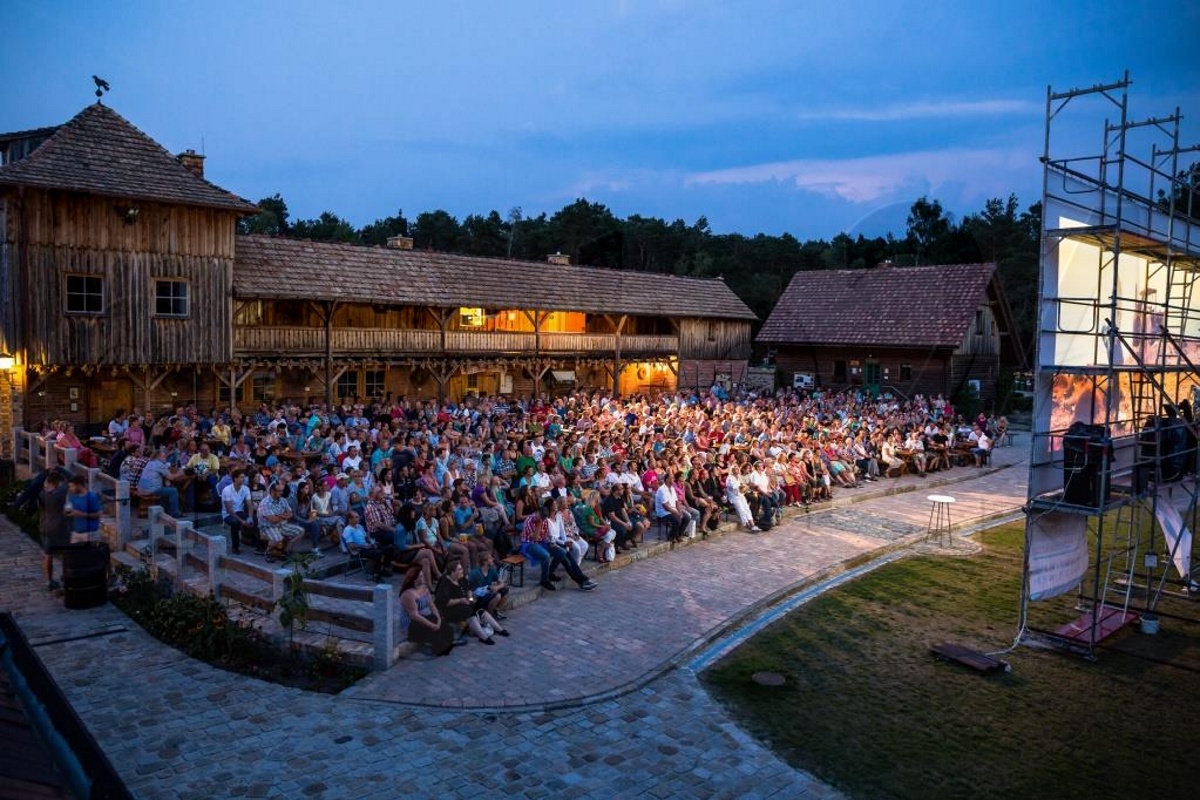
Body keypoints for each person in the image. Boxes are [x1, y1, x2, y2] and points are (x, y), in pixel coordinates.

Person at [434, 560, 508, 645]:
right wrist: (460, 600)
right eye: (459, 569)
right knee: (469, 611)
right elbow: (444, 602)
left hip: (463, 604)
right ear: (452, 572)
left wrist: (470, 596)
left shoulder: (461, 578)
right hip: (449, 609)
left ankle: (499, 629)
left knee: (479, 608)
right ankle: (483, 637)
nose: (462, 571)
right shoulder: (445, 582)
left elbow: (468, 588)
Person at [398, 567, 455, 656]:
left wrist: (438, 618)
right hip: (413, 624)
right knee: (434, 634)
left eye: (422, 575)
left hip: (426, 617)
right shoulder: (408, 594)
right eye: (420, 576)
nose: (423, 578)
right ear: (414, 579)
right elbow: (415, 615)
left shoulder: (424, 588)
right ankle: (436, 647)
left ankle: (444, 643)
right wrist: (431, 625)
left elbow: (431, 605)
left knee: (447, 629)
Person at [38, 471, 71, 591]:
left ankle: (49, 581)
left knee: (48, 555)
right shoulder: (60, 493)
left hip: (45, 526)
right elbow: (70, 478)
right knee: (65, 555)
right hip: (59, 527)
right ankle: (66, 578)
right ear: (57, 482)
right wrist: (59, 468)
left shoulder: (42, 494)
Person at [256, 481, 303, 560]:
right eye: (279, 491)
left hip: (281, 524)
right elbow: (273, 520)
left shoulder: (283, 500)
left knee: (301, 531)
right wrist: (284, 515)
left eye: (282, 491)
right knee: (277, 539)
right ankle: (267, 552)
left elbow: (290, 513)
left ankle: (286, 550)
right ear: (273, 491)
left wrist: (279, 516)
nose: (281, 493)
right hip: (268, 526)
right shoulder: (265, 503)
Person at [137, 447, 183, 517]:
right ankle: (175, 513)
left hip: (141, 489)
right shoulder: (160, 464)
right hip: (150, 490)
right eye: (164, 456)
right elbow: (171, 477)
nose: (165, 458)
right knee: (173, 491)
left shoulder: (150, 462)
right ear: (158, 457)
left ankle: (163, 510)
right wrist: (180, 473)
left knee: (164, 488)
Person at [221, 469, 254, 555]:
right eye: (241, 477)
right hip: (228, 514)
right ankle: (235, 547)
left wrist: (250, 517)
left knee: (254, 520)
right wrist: (242, 521)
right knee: (236, 523)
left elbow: (249, 504)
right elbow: (229, 510)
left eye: (244, 477)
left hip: (240, 511)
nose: (244, 479)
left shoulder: (245, 488)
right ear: (235, 478)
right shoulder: (227, 490)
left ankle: (250, 540)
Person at [65, 474, 101, 539]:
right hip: (75, 533)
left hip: (90, 533)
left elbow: (98, 514)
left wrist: (81, 514)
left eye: (72, 486)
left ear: (79, 486)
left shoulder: (91, 497)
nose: (70, 489)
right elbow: (68, 509)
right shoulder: (72, 496)